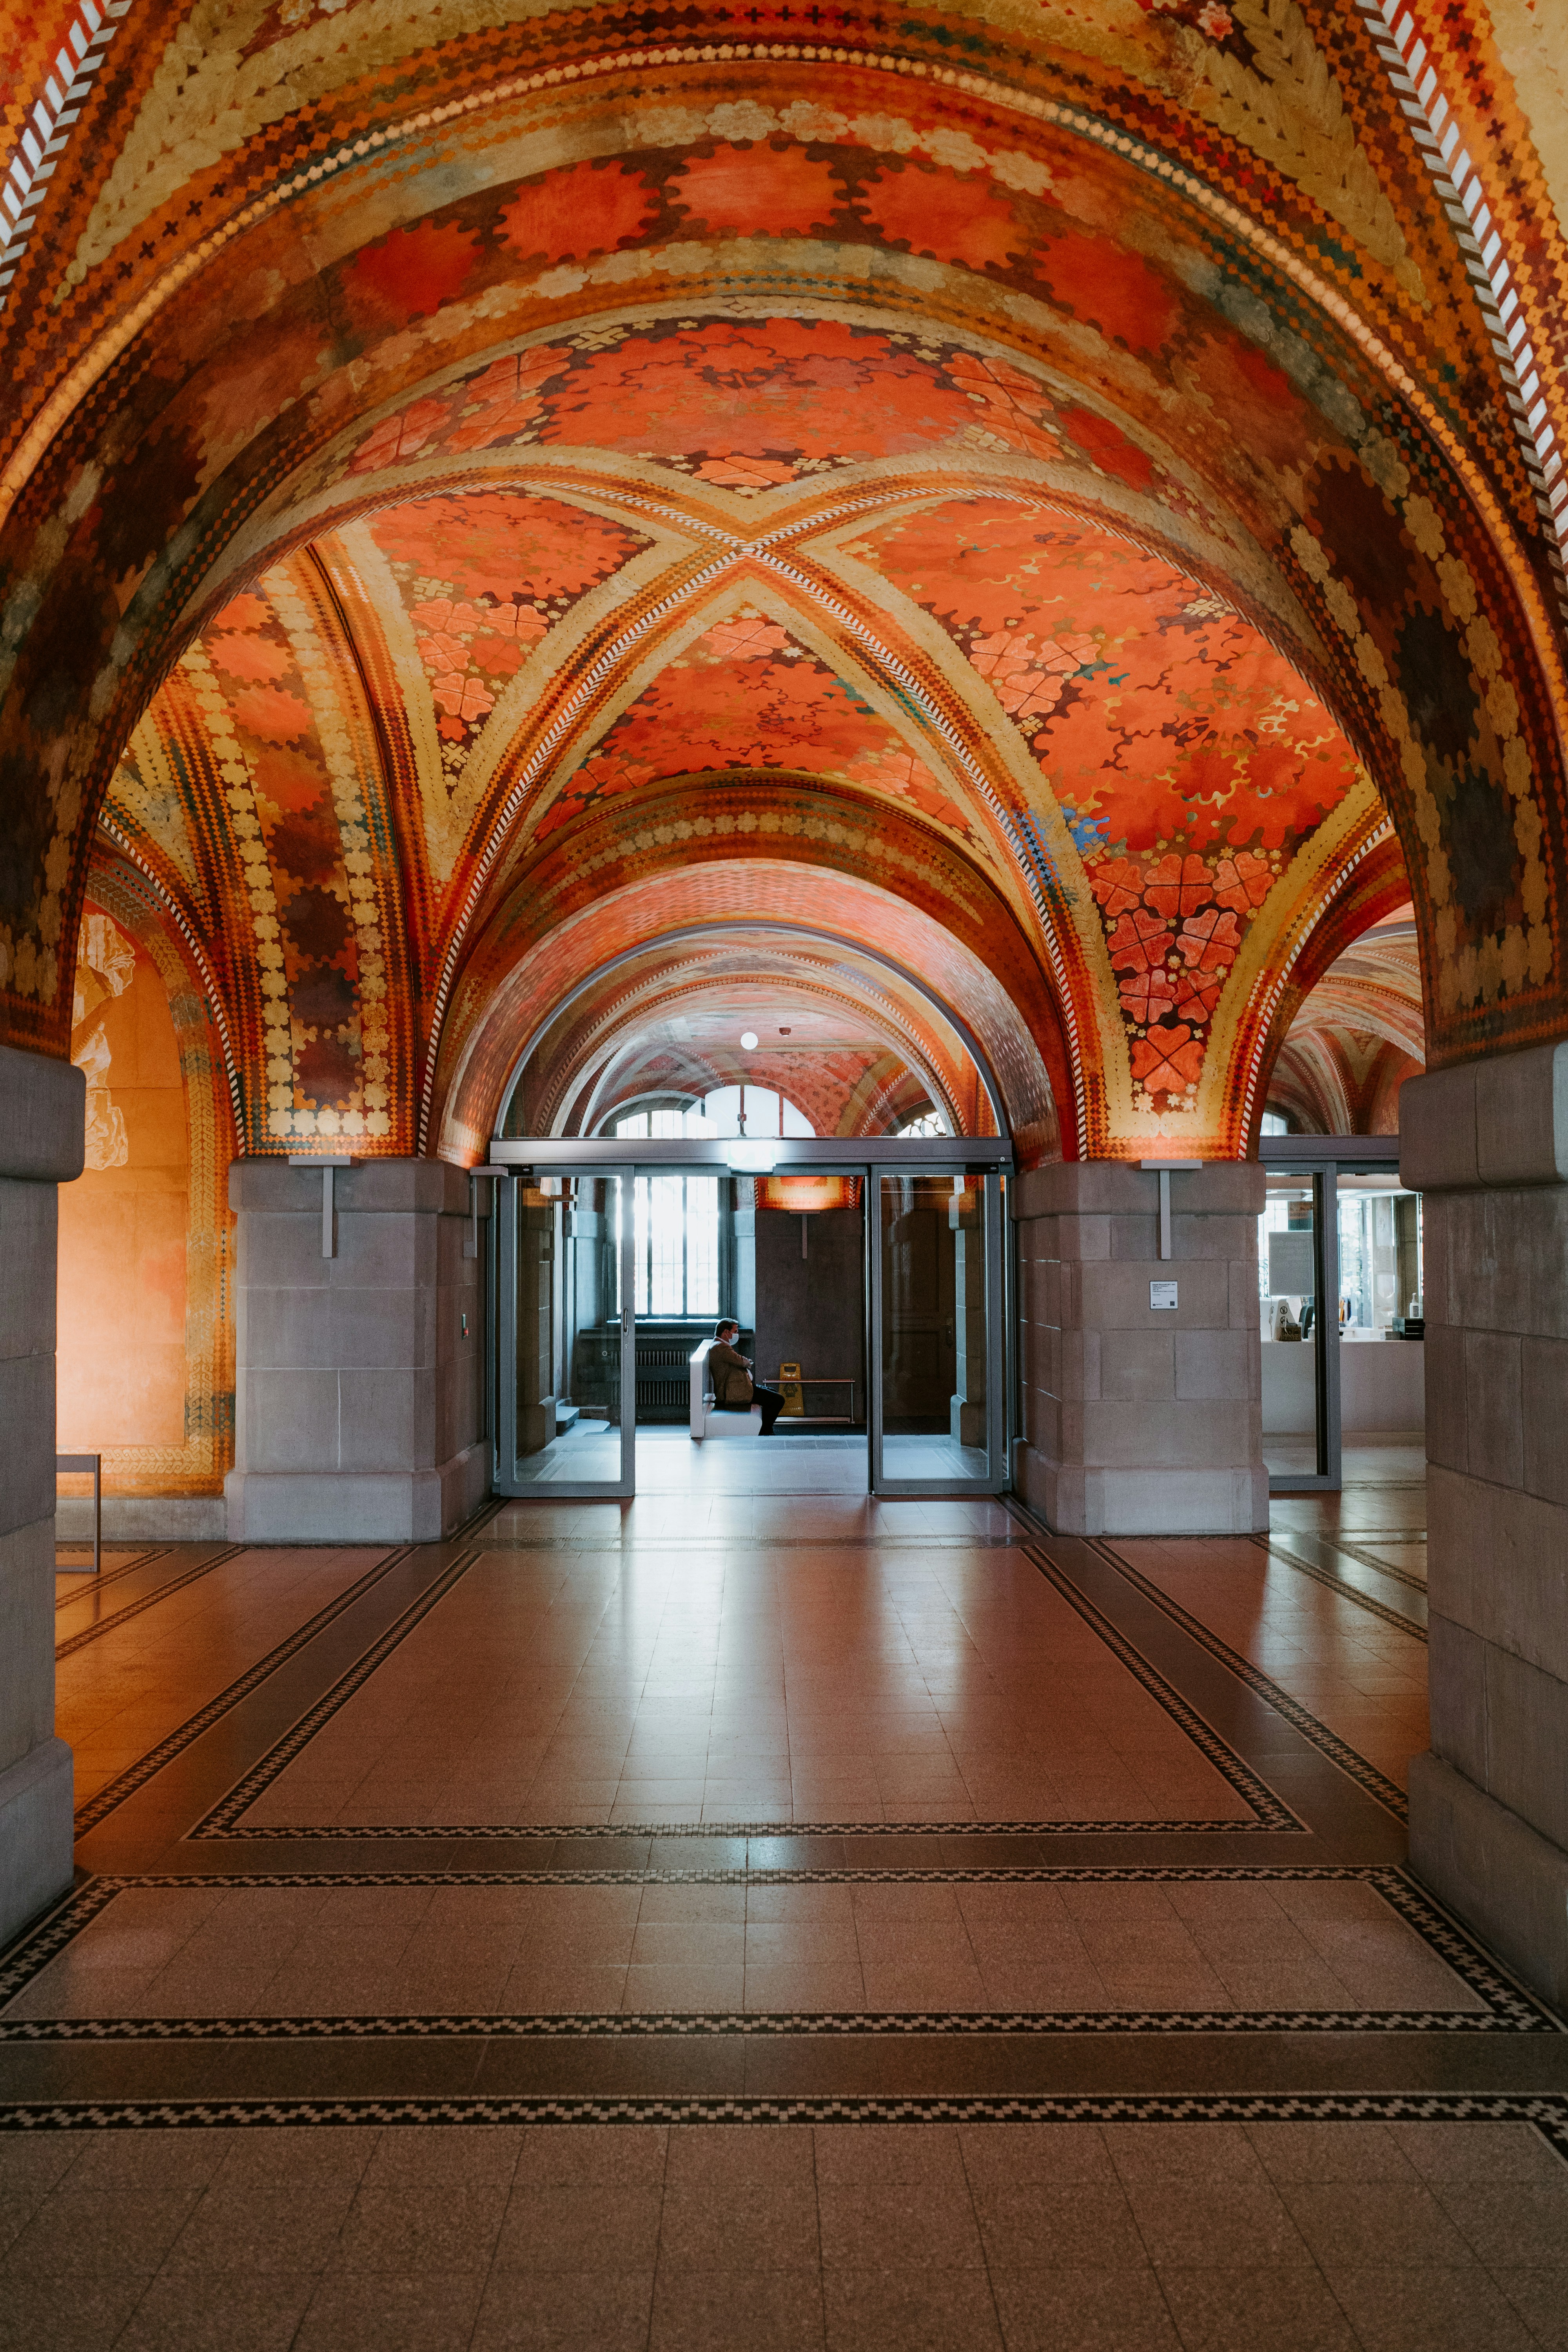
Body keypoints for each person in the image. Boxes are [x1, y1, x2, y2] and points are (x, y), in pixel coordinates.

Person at [707, 1320, 784, 1435]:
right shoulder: (721, 1347)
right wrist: (747, 1362)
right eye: (735, 1331)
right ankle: (765, 1430)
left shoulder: (719, 1345)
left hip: (738, 1387)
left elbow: (738, 1360)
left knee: (772, 1393)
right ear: (726, 1332)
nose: (737, 1334)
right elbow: (740, 1361)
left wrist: (746, 1362)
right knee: (778, 1400)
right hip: (735, 1392)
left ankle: (766, 1427)